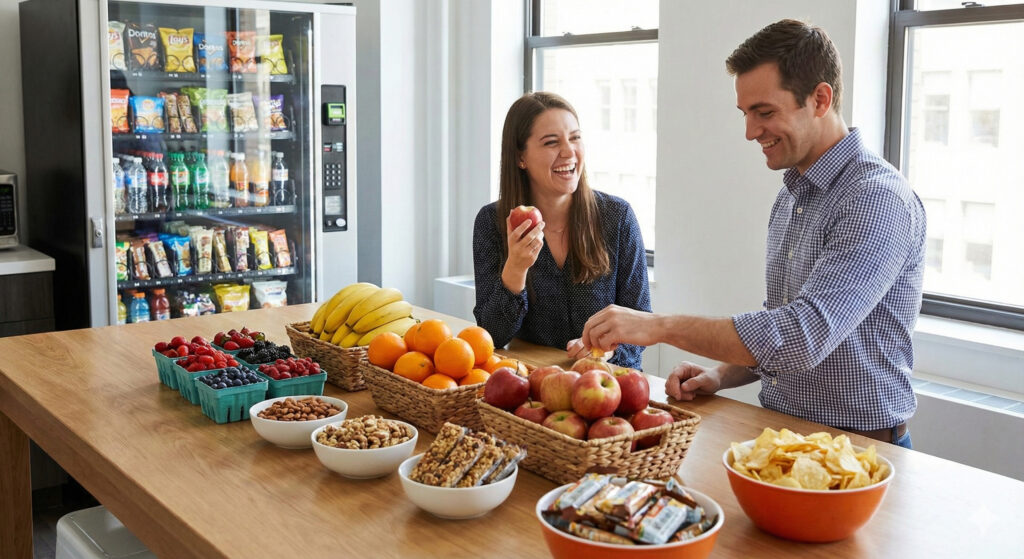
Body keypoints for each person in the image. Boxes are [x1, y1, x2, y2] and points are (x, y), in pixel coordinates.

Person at [581, 19, 926, 448]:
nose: (750, 132)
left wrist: (659, 327)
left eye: (764, 112)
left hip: (859, 451)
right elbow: (779, 324)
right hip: (782, 438)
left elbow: (801, 335)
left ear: (820, 99)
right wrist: (720, 374)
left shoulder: (875, 199)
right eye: (746, 114)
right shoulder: (793, 194)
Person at [472, 92, 652, 370]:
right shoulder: (492, 223)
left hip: (610, 385)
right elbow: (491, 336)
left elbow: (641, 323)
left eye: (575, 138)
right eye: (551, 142)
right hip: (533, 386)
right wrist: (516, 269)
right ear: (521, 157)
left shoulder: (617, 217)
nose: (569, 152)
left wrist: (604, 354)